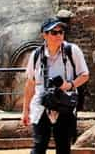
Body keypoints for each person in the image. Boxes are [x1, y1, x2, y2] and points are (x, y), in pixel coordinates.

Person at [22, 18, 90, 154]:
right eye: (54, 32)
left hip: (64, 103)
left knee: (63, 146)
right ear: (45, 35)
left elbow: (85, 75)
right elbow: (30, 83)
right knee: (39, 146)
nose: (59, 35)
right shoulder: (36, 55)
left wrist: (69, 85)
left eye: (61, 32)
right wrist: (25, 110)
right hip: (41, 104)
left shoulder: (72, 51)